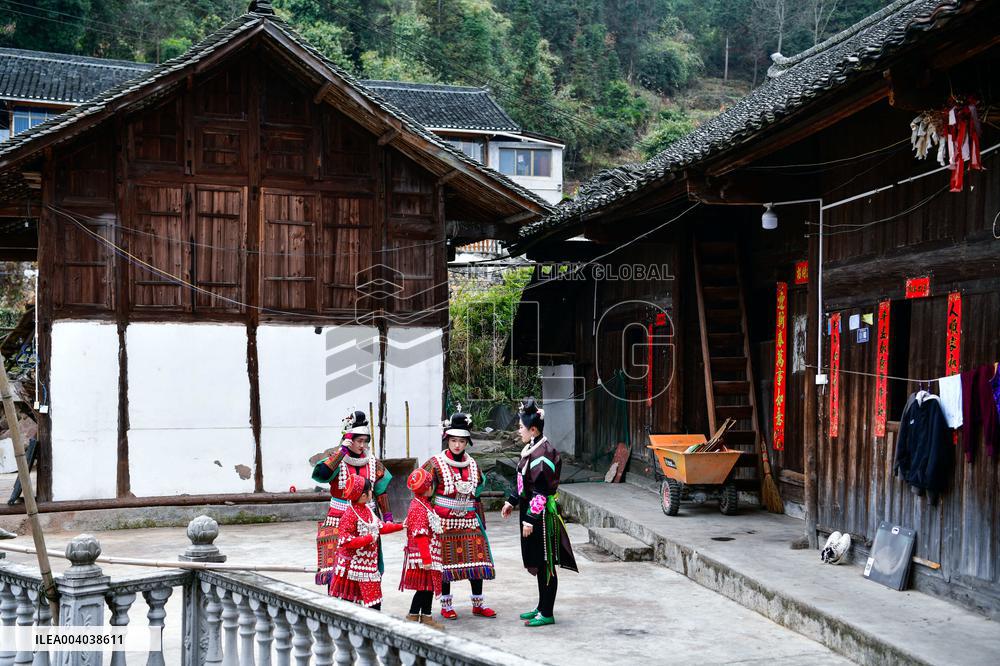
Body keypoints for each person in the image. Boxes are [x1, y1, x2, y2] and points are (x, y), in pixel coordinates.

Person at [501, 397, 578, 627]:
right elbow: (523, 482)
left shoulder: (543, 455)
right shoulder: (531, 449)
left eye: (521, 427)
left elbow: (541, 492)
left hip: (541, 515)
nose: (519, 430)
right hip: (531, 511)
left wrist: (530, 519)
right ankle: (541, 606)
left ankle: (547, 611)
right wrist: (511, 501)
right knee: (539, 559)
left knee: (546, 562)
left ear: (533, 429)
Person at [423, 412, 497, 620]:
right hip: (443, 521)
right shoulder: (435, 463)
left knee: (476, 560)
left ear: (467, 442)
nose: (457, 445)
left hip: (469, 519)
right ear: (447, 440)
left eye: (461, 441)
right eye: (454, 440)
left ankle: (478, 603)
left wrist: (479, 518)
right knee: (446, 563)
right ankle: (446, 605)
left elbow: (479, 489)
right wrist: (427, 516)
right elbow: (421, 486)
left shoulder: (473, 464)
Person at [310, 410, 393, 587]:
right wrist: (342, 452)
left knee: (365, 564)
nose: (362, 445)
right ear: (349, 439)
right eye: (358, 441)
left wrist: (387, 517)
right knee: (338, 567)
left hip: (366, 519)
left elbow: (381, 490)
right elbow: (322, 474)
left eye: (365, 441)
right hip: (339, 517)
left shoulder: (373, 463)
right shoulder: (336, 460)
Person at [329, 475, 403, 609]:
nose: (372, 493)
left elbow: (380, 526)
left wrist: (401, 526)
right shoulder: (349, 515)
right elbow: (345, 541)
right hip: (351, 568)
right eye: (370, 491)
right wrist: (368, 538)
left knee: (374, 603)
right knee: (351, 605)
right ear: (363, 496)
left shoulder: (367, 510)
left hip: (368, 565)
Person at [400, 467, 445, 629]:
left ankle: (418, 614)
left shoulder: (422, 503)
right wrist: (426, 559)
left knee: (427, 587)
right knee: (425, 588)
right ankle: (422, 616)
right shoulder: (419, 507)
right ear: (427, 488)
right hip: (423, 556)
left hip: (426, 554)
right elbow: (420, 534)